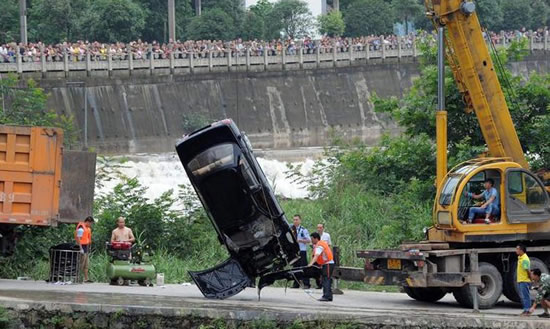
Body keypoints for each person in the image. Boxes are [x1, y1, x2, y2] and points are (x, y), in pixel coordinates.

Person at [309, 232, 334, 302]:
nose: (311, 241)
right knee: (326, 279)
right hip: (326, 264)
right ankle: (329, 296)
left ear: (316, 239)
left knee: (326, 280)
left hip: (328, 264)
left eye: (312, 239)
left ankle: (326, 296)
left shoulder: (319, 245)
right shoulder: (320, 244)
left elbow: (316, 256)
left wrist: (310, 264)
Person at [291, 214, 311, 289]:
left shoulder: (303, 230)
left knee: (304, 267)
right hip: (295, 251)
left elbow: (309, 240)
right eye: (294, 220)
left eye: (296, 220)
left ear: (300, 220)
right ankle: (296, 283)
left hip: (302, 251)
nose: (295, 221)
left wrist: (300, 240)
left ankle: (306, 283)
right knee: (295, 267)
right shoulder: (292, 230)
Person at [75, 216, 94, 283]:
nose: (91, 225)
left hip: (86, 247)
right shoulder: (81, 227)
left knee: (86, 264)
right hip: (81, 246)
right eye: (91, 223)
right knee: (81, 263)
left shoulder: (88, 228)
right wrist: (80, 248)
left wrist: (89, 247)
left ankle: (86, 278)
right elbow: (78, 238)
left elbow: (88, 239)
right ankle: (78, 277)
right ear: (88, 221)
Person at [314, 223, 332, 288]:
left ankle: (326, 284)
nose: (319, 229)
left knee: (324, 271)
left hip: (324, 256)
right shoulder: (315, 235)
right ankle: (319, 284)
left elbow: (329, 245)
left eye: (320, 227)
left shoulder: (327, 235)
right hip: (317, 255)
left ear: (323, 228)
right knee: (317, 270)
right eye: (318, 228)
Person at [516, 244, 532, 316]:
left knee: (526, 296)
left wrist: (530, 278)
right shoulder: (520, 257)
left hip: (524, 281)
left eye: (517, 249)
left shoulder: (525, 259)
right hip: (520, 280)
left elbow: (528, 270)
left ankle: (527, 311)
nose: (516, 250)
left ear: (521, 250)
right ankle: (525, 310)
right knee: (523, 296)